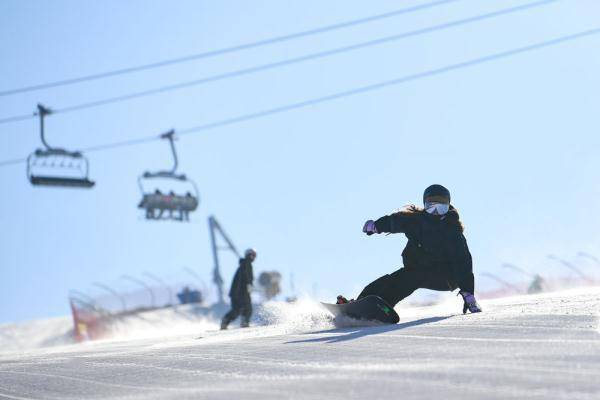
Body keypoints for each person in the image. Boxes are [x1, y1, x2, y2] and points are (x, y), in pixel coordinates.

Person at [338, 184, 482, 314]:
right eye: (432, 206)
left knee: (412, 278)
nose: (436, 211)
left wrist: (468, 293)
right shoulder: (417, 221)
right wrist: (377, 226)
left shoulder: (452, 233)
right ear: (425, 204)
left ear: (448, 206)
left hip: (446, 276)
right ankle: (358, 304)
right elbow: (396, 221)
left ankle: (383, 307)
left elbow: (463, 263)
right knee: (389, 280)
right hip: (419, 268)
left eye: (441, 207)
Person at [221, 248, 256, 329]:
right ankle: (244, 322)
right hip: (242, 292)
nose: (254, 257)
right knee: (247, 308)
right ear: (249, 255)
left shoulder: (243, 264)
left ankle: (225, 321)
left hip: (235, 293)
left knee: (237, 309)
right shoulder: (247, 263)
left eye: (255, 255)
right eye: (253, 255)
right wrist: (248, 286)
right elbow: (246, 277)